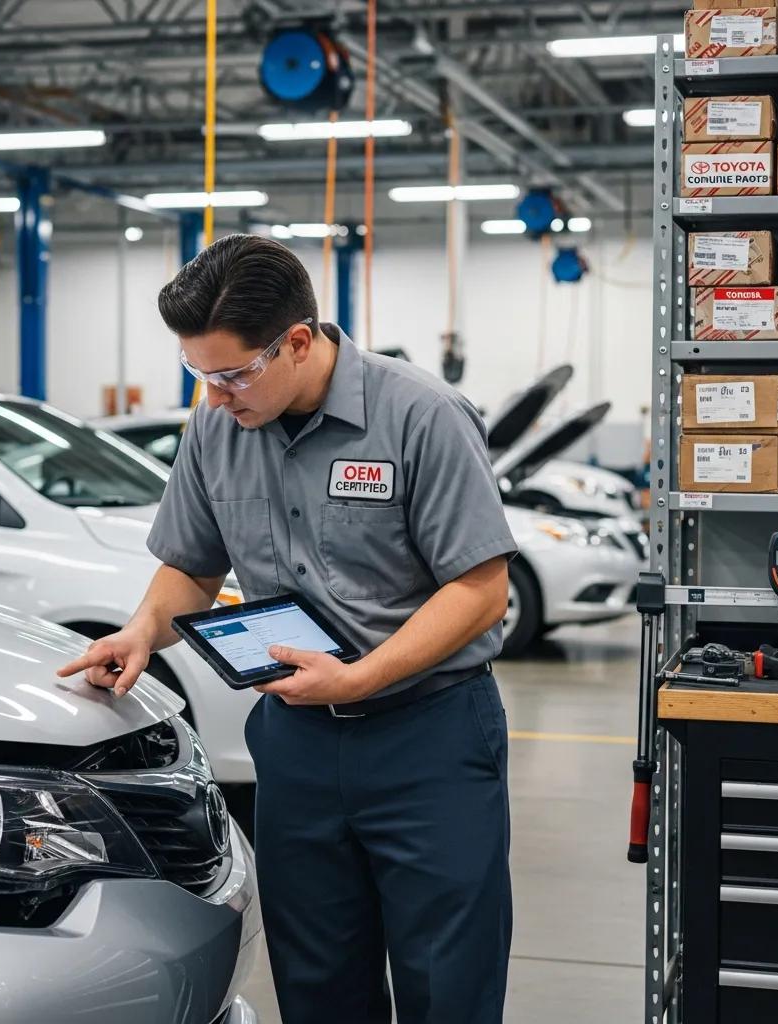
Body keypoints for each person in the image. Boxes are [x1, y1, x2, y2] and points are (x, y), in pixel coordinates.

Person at [58, 234, 517, 1024]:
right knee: (317, 980)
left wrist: (362, 676)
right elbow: (192, 569)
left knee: (448, 980)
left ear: (297, 343)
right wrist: (142, 631)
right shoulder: (215, 431)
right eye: (200, 375)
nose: (215, 397)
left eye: (232, 374)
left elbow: (479, 589)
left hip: (429, 739)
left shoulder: (421, 416)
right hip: (297, 744)